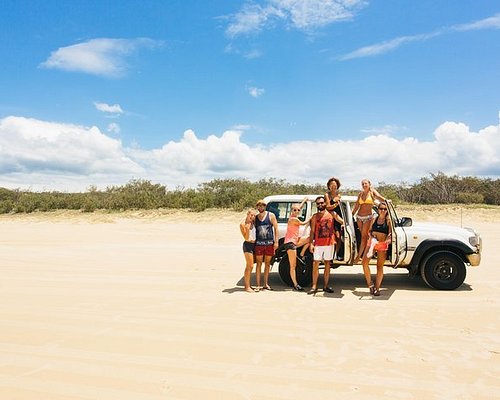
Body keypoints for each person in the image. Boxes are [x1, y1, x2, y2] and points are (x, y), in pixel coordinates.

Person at [308, 196, 344, 295]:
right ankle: (314, 286)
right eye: (318, 203)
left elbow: (342, 221)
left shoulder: (332, 214)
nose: (320, 205)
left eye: (322, 203)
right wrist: (311, 243)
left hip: (329, 243)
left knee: (327, 264)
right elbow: (312, 231)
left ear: (325, 203)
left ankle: (325, 286)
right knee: (316, 263)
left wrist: (344, 224)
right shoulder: (315, 216)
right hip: (318, 244)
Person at [351, 179, 386, 262]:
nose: (364, 185)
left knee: (364, 237)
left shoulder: (372, 192)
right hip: (359, 217)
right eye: (362, 184)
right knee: (363, 237)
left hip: (368, 217)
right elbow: (356, 206)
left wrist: (386, 201)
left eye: (365, 183)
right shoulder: (360, 194)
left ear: (369, 184)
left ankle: (359, 256)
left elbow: (379, 197)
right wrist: (350, 216)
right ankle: (363, 255)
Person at [362, 203, 392, 296]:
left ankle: (377, 288)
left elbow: (390, 234)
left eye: (385, 209)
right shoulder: (374, 219)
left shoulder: (388, 221)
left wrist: (387, 241)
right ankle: (370, 284)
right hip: (372, 242)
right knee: (364, 262)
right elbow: (369, 231)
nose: (383, 211)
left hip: (382, 244)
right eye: (381, 208)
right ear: (378, 209)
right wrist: (371, 236)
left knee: (379, 266)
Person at [283, 198, 311, 291]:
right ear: (292, 211)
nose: (297, 211)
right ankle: (296, 284)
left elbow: (299, 207)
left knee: (309, 238)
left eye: (298, 210)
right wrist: (311, 218)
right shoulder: (294, 219)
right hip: (290, 243)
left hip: (294, 241)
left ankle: (302, 253)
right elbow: (303, 223)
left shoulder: (293, 215)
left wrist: (304, 201)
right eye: (295, 210)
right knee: (293, 266)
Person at [254, 199, 279, 291]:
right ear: (257, 207)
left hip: (269, 243)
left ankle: (266, 283)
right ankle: (258, 285)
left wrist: (276, 242)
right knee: (259, 264)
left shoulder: (271, 215)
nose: (261, 207)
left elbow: (276, 228)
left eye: (263, 206)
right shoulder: (255, 218)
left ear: (265, 206)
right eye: (259, 206)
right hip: (259, 244)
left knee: (267, 264)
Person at [239, 208, 257, 292]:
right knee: (250, 265)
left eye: (254, 215)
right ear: (247, 214)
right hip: (248, 245)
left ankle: (249, 285)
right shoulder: (243, 224)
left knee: (252, 265)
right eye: (251, 215)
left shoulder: (254, 222)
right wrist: (248, 227)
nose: (252, 217)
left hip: (254, 244)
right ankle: (247, 286)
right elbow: (246, 238)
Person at [324, 177, 342, 258]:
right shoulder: (327, 195)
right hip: (329, 218)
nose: (333, 186)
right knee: (331, 238)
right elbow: (327, 207)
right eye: (331, 185)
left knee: (338, 237)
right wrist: (334, 203)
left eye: (335, 185)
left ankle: (336, 254)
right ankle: (330, 255)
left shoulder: (339, 195)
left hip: (338, 217)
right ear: (329, 186)